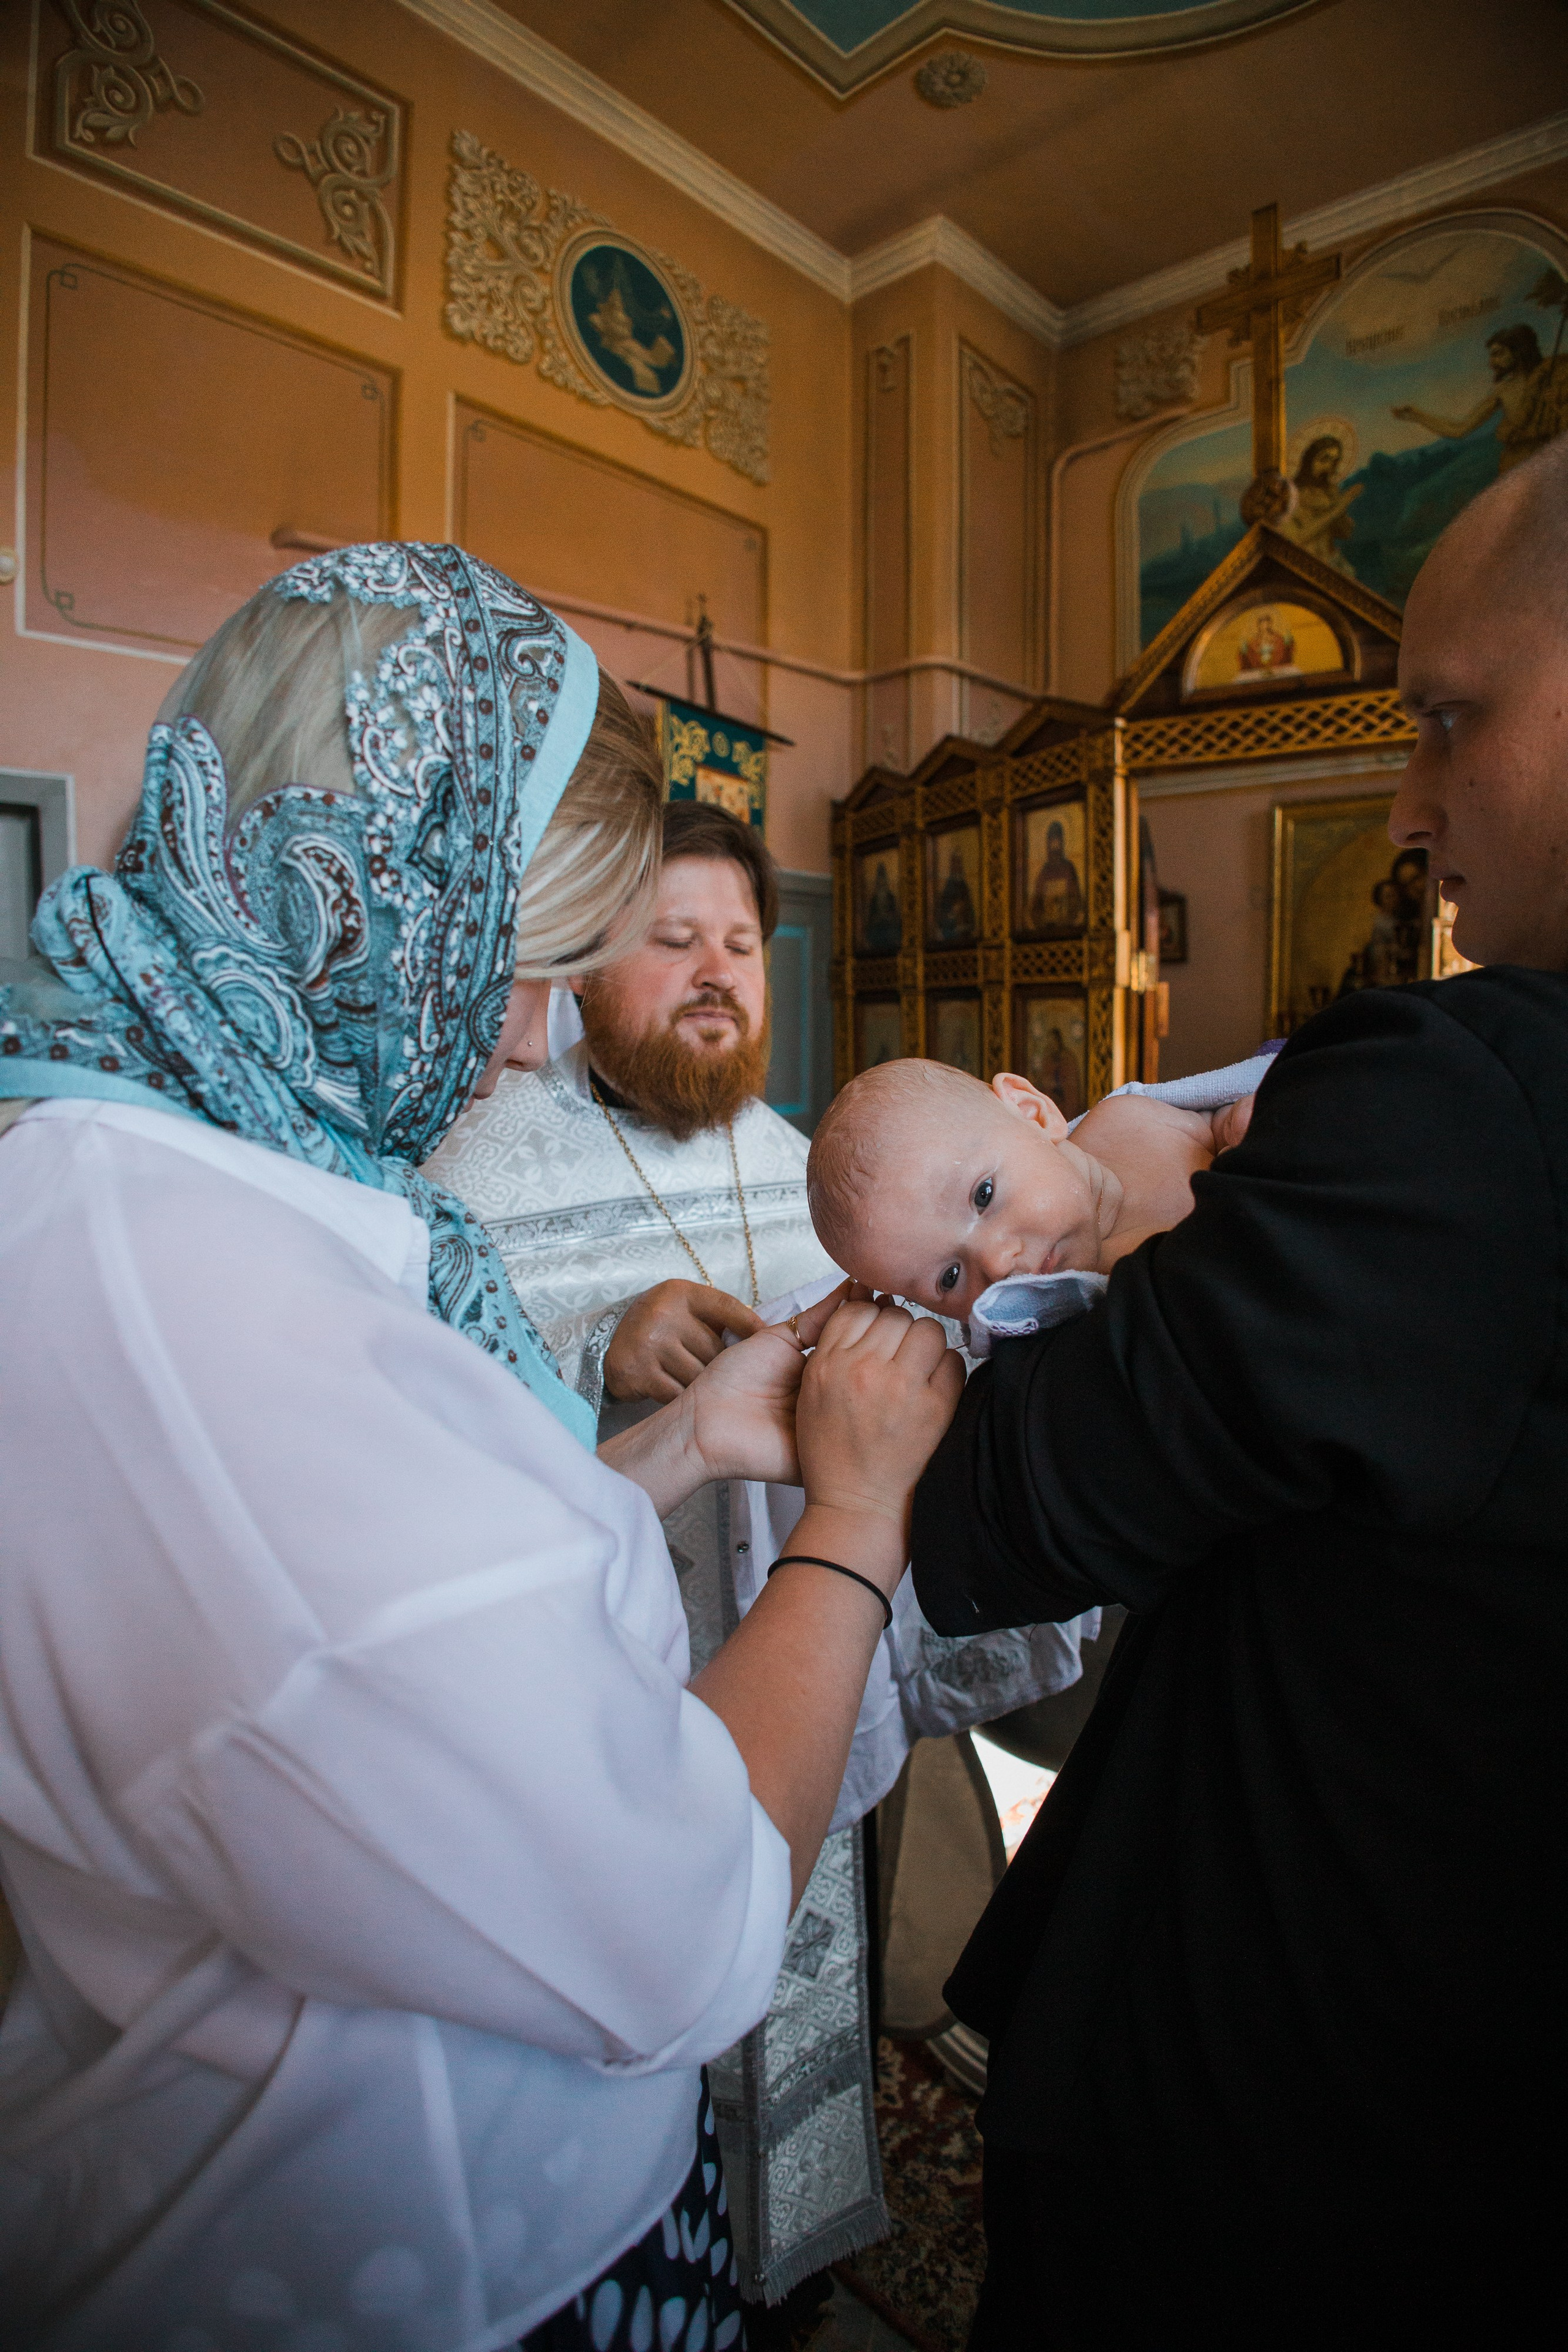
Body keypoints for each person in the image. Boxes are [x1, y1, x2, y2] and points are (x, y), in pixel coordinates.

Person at [0, 545, 964, 2350]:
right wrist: (849, 1512)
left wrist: (685, 1434)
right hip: (437, 2254)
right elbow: (679, 1931)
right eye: (525, 967)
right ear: (371, 900)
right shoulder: (233, 1331)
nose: (521, 1044)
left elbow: (408, 1622)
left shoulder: (138, 1158)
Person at [903, 440, 1568, 2346]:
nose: (1410, 800)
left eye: (1448, 721)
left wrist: (1139, 1193)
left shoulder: (1458, 1088)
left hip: (1289, 2080)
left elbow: (998, 1509)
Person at [426, 800, 1090, 2321]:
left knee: (804, 1996)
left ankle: (776, 2284)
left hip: (806, 1679)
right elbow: (416, 1422)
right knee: (616, 2048)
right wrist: (604, 1347)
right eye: (670, 941)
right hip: (591, 1740)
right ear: (586, 969)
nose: (715, 970)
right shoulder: (480, 1162)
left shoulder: (828, 1167)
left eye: (738, 941)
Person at [807, 1055, 1257, 1322]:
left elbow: (1222, 1116)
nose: (998, 1263)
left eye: (983, 1197)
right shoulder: (1103, 1303)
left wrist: (1239, 1123)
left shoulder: (1128, 1119)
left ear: (1034, 1114)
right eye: (950, 1277)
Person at [1392, 320, 1568, 472]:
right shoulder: (1503, 391)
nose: (1492, 363)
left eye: (1499, 354)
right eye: (1491, 356)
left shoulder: (1555, 372)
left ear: (1519, 351)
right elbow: (1459, 430)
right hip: (1522, 467)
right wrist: (1417, 416)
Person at [1279, 434, 1362, 573]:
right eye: (1325, 459)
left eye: (1335, 461)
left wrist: (1343, 516)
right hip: (1308, 565)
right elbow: (1295, 539)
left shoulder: (1330, 491)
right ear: (1309, 461)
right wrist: (1338, 509)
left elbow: (1344, 534)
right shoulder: (1290, 495)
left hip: (1333, 561)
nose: (1329, 466)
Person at [1027, 821, 1084, 930]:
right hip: (1046, 928)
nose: (1055, 845)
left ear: (1062, 842)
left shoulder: (1068, 868)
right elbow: (1036, 903)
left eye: (1057, 841)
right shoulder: (1044, 871)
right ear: (1047, 843)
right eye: (1052, 841)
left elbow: (1076, 900)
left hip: (1067, 928)